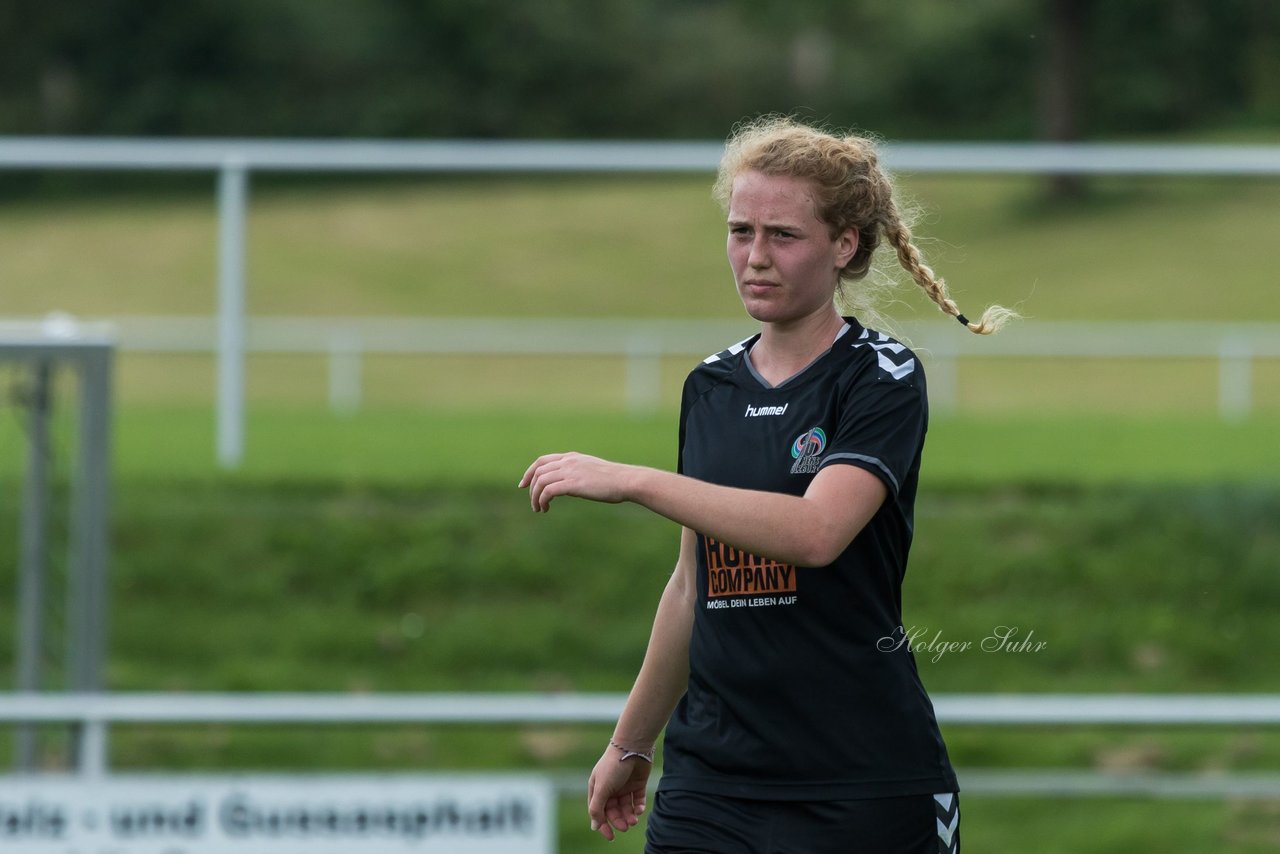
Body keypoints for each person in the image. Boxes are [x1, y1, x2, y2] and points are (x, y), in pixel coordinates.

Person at [519, 115, 1014, 854]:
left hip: (862, 784)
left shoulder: (882, 377)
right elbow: (693, 586)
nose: (755, 257)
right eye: (739, 230)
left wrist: (636, 481)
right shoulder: (711, 386)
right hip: (712, 787)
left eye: (782, 235)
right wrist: (630, 745)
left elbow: (816, 534)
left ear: (844, 245)